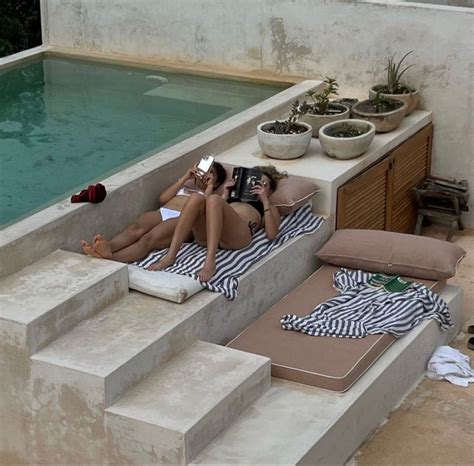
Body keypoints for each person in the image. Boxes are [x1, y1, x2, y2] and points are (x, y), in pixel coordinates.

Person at [150, 166, 283, 282]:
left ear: (270, 192)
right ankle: (170, 256)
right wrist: (225, 194)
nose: (258, 187)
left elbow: (272, 234)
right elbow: (209, 209)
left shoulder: (269, 207)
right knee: (197, 198)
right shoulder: (231, 198)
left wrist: (265, 201)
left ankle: (210, 261)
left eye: (263, 185)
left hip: (238, 236)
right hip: (208, 235)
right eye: (256, 183)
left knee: (214, 199)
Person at [80, 161, 227, 262]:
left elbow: (202, 210)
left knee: (148, 239)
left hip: (181, 220)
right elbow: (163, 198)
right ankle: (108, 247)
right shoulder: (186, 187)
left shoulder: (211, 196)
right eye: (205, 168)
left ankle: (112, 258)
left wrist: (209, 187)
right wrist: (185, 177)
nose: (206, 173)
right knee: (135, 228)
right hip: (163, 212)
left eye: (211, 172)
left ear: (217, 181)